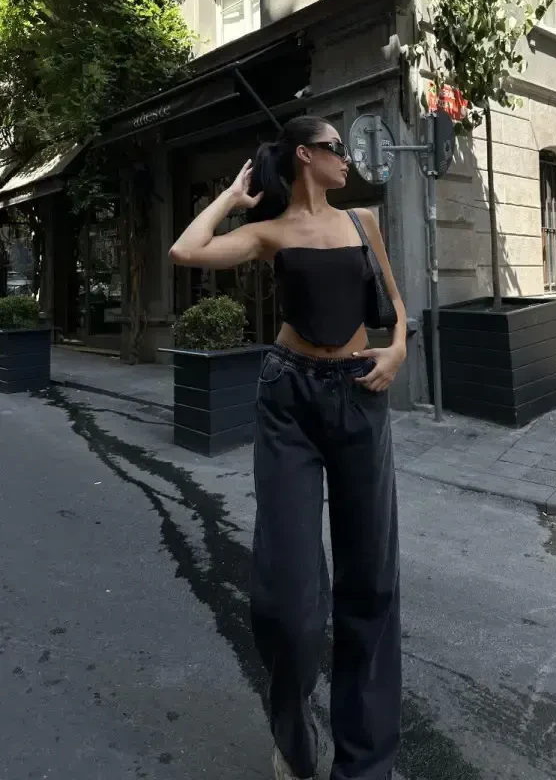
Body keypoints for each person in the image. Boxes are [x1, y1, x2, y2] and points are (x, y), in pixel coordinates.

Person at [169, 116, 406, 780]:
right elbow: (185, 251)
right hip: (289, 397)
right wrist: (232, 198)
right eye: (337, 149)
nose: (347, 161)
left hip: (360, 393)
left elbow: (395, 306)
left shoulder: (362, 222)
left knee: (370, 583)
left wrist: (397, 350)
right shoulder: (268, 233)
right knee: (287, 598)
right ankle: (294, 738)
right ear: (306, 155)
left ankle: (364, 766)